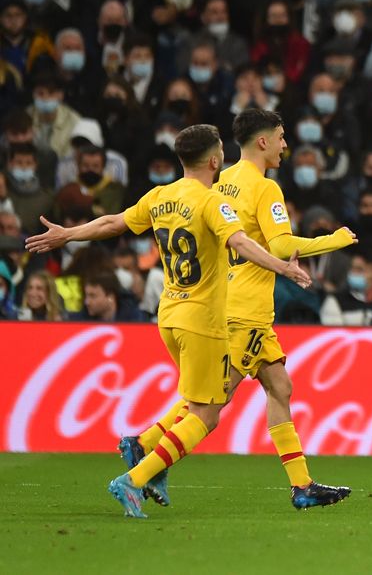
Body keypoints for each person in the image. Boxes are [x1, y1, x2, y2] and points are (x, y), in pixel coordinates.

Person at [25, 124, 311, 519]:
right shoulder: (212, 202)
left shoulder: (161, 196)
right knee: (205, 414)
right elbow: (242, 243)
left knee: (195, 403)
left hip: (168, 316)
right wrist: (283, 266)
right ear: (215, 160)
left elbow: (112, 223)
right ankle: (135, 478)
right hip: (203, 321)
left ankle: (147, 457)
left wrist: (67, 235)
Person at [120, 109, 355, 509]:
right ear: (262, 141)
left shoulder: (219, 182)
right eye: (281, 137)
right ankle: (141, 451)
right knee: (210, 404)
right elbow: (280, 246)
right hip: (244, 311)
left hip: (233, 305)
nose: (285, 145)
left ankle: (302, 486)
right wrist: (333, 240)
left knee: (279, 386)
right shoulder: (265, 188)